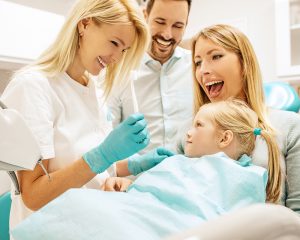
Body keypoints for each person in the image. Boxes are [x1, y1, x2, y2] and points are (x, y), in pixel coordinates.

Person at [0, 0, 174, 230]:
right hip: (49, 230)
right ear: (84, 25)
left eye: (124, 50)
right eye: (114, 43)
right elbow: (34, 195)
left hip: (91, 223)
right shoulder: (34, 87)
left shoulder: (93, 87)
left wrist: (133, 164)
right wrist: (103, 155)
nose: (116, 58)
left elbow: (89, 166)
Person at [11, 99, 276, 240]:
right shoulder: (178, 161)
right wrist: (127, 184)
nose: (188, 132)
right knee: (79, 203)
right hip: (135, 211)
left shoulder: (243, 176)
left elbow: (238, 223)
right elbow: (150, 194)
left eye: (198, 125)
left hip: (172, 227)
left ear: (224, 138)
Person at [189, 24, 300, 212]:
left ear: (244, 63)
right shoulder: (190, 131)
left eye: (216, 56)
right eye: (198, 62)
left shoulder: (289, 126)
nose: (203, 70)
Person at [108, 0, 194, 154]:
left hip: (188, 175)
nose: (167, 34)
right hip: (136, 177)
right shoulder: (119, 70)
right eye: (160, 22)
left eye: (178, 26)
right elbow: (106, 136)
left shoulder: (197, 68)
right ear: (145, 16)